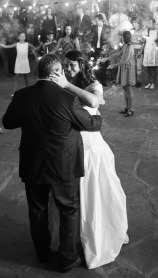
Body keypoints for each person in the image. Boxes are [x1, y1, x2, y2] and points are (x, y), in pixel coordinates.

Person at [2, 54, 102, 272]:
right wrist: (98, 117)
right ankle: (67, 259)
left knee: (37, 210)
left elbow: (8, 123)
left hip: (33, 163)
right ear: (58, 72)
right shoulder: (67, 97)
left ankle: (42, 253)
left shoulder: (22, 95)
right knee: (68, 210)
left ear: (39, 71)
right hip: (64, 165)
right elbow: (91, 124)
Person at [49, 50, 128, 267]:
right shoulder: (60, 82)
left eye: (72, 65)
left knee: (93, 193)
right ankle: (70, 240)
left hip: (91, 147)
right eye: (66, 65)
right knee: (70, 198)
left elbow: (93, 102)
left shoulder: (93, 84)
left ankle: (96, 237)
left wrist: (66, 85)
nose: (68, 69)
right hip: (69, 145)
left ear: (82, 66)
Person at [103, 31, 136, 116]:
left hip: (128, 68)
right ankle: (127, 107)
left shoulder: (130, 47)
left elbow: (125, 60)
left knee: (128, 88)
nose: (121, 38)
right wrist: (107, 58)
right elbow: (118, 54)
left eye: (122, 37)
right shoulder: (125, 45)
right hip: (123, 67)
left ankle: (131, 109)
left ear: (124, 37)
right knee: (124, 88)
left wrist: (113, 65)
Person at [0, 31, 38, 96]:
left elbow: (35, 48)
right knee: (16, 78)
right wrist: (1, 44)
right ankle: (14, 92)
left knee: (26, 78)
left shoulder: (28, 44)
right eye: (21, 36)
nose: (23, 37)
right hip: (18, 62)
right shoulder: (16, 44)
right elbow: (6, 46)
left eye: (24, 36)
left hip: (25, 62)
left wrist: (40, 45)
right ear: (18, 37)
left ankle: (28, 90)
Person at [142, 18, 158, 90]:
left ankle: (153, 82)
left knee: (153, 67)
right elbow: (143, 40)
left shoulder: (157, 31)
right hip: (147, 49)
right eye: (148, 22)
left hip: (154, 50)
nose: (148, 24)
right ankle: (149, 82)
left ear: (153, 23)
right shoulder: (146, 31)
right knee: (148, 67)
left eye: (150, 23)